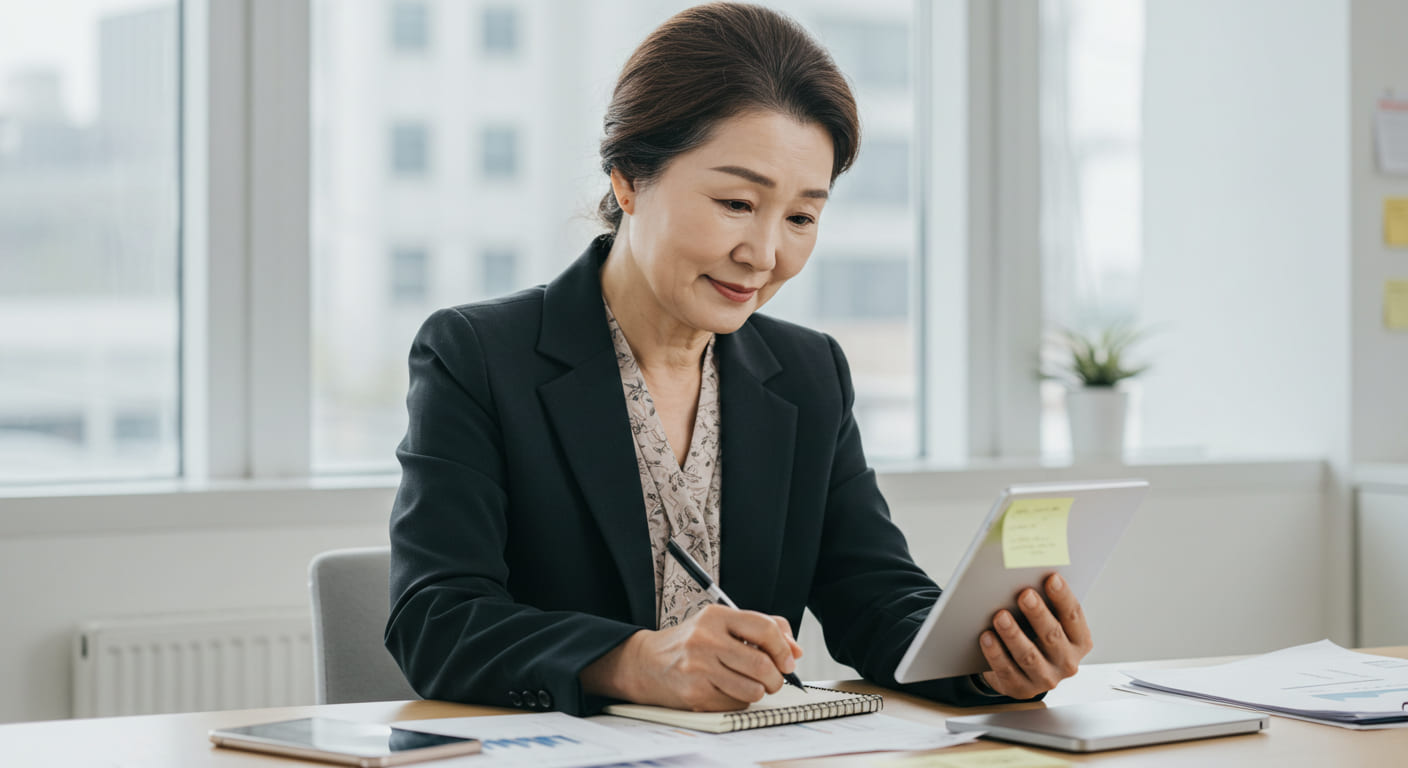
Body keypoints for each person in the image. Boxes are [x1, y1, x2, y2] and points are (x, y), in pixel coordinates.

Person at [385, 2, 1092, 717]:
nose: (764, 254)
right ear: (629, 178)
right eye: (734, 202)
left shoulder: (809, 374)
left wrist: (987, 658)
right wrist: (635, 662)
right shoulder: (476, 357)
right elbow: (436, 620)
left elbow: (876, 597)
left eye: (801, 217)